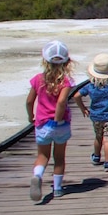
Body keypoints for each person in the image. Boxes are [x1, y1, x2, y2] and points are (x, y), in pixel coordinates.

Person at [26, 40, 75, 201]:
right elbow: (61, 102)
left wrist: (30, 116)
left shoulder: (38, 79)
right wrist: (57, 118)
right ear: (67, 62)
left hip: (42, 124)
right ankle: (58, 188)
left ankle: (38, 176)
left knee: (42, 155)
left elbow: (29, 101)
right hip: (60, 124)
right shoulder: (65, 82)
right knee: (59, 157)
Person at [73, 53, 108, 172]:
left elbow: (76, 96)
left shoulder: (91, 86)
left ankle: (96, 156)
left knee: (98, 137)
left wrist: (83, 108)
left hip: (96, 116)